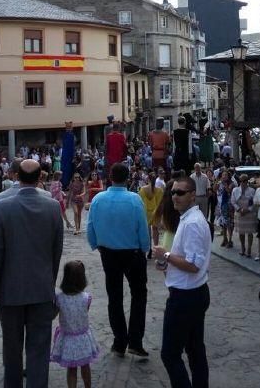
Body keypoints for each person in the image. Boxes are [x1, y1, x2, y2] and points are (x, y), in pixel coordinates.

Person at [0, 159, 64, 388]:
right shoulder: (52, 206)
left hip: (9, 292)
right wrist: (48, 280)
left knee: (11, 350)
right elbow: (56, 251)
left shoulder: (2, 207)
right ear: (40, 178)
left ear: (16, 176)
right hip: (41, 289)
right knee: (39, 351)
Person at [153, 175, 212, 388]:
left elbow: (193, 264)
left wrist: (166, 255)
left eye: (180, 193)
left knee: (170, 354)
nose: (174, 197)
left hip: (186, 297)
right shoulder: (187, 220)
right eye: (173, 192)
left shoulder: (193, 224)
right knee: (195, 349)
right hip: (192, 292)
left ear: (192, 195)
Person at [86, 163, 150, 358]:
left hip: (109, 253)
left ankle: (120, 341)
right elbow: (142, 227)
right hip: (132, 252)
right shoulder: (134, 199)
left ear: (109, 177)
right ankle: (135, 340)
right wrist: (144, 249)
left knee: (114, 297)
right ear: (128, 178)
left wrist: (97, 245)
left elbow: (90, 227)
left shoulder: (98, 199)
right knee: (139, 295)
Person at [50, 260, 100, 388]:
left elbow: (53, 315)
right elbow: (84, 312)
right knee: (85, 366)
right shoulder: (86, 298)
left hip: (67, 339)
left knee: (71, 369)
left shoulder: (59, 299)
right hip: (83, 338)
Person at [139, 172, 164, 258]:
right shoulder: (159, 190)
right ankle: (156, 249)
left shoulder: (142, 190)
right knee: (155, 230)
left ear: (148, 179)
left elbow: (140, 203)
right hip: (156, 212)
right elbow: (160, 203)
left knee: (148, 232)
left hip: (145, 213)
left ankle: (149, 249)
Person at [231, 174, 256, 258]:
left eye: (244, 181)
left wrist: (247, 210)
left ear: (247, 181)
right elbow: (233, 201)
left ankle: (249, 248)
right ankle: (242, 247)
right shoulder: (235, 190)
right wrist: (239, 209)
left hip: (249, 214)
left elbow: (254, 203)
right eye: (241, 181)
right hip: (239, 213)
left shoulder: (252, 190)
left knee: (250, 232)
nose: (242, 183)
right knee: (241, 232)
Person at [216, 171, 235, 248]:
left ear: (228, 176)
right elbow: (214, 189)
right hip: (221, 205)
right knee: (223, 223)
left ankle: (230, 240)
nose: (224, 176)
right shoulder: (220, 183)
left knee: (229, 223)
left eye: (226, 175)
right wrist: (217, 181)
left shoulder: (232, 183)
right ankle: (225, 239)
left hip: (229, 206)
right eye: (223, 175)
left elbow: (229, 191)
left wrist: (225, 184)